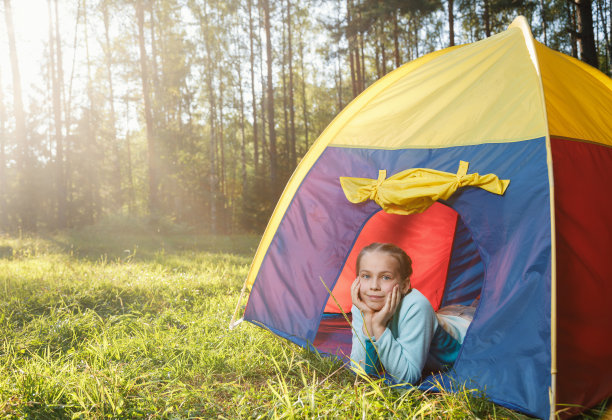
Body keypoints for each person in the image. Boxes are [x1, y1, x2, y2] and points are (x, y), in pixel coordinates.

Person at [350, 242, 473, 384]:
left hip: (468, 329)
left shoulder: (416, 305)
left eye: (386, 277)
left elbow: (406, 379)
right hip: (444, 316)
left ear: (404, 285)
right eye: (366, 276)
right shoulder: (364, 305)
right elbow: (362, 371)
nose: (374, 286)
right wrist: (368, 318)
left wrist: (379, 327)